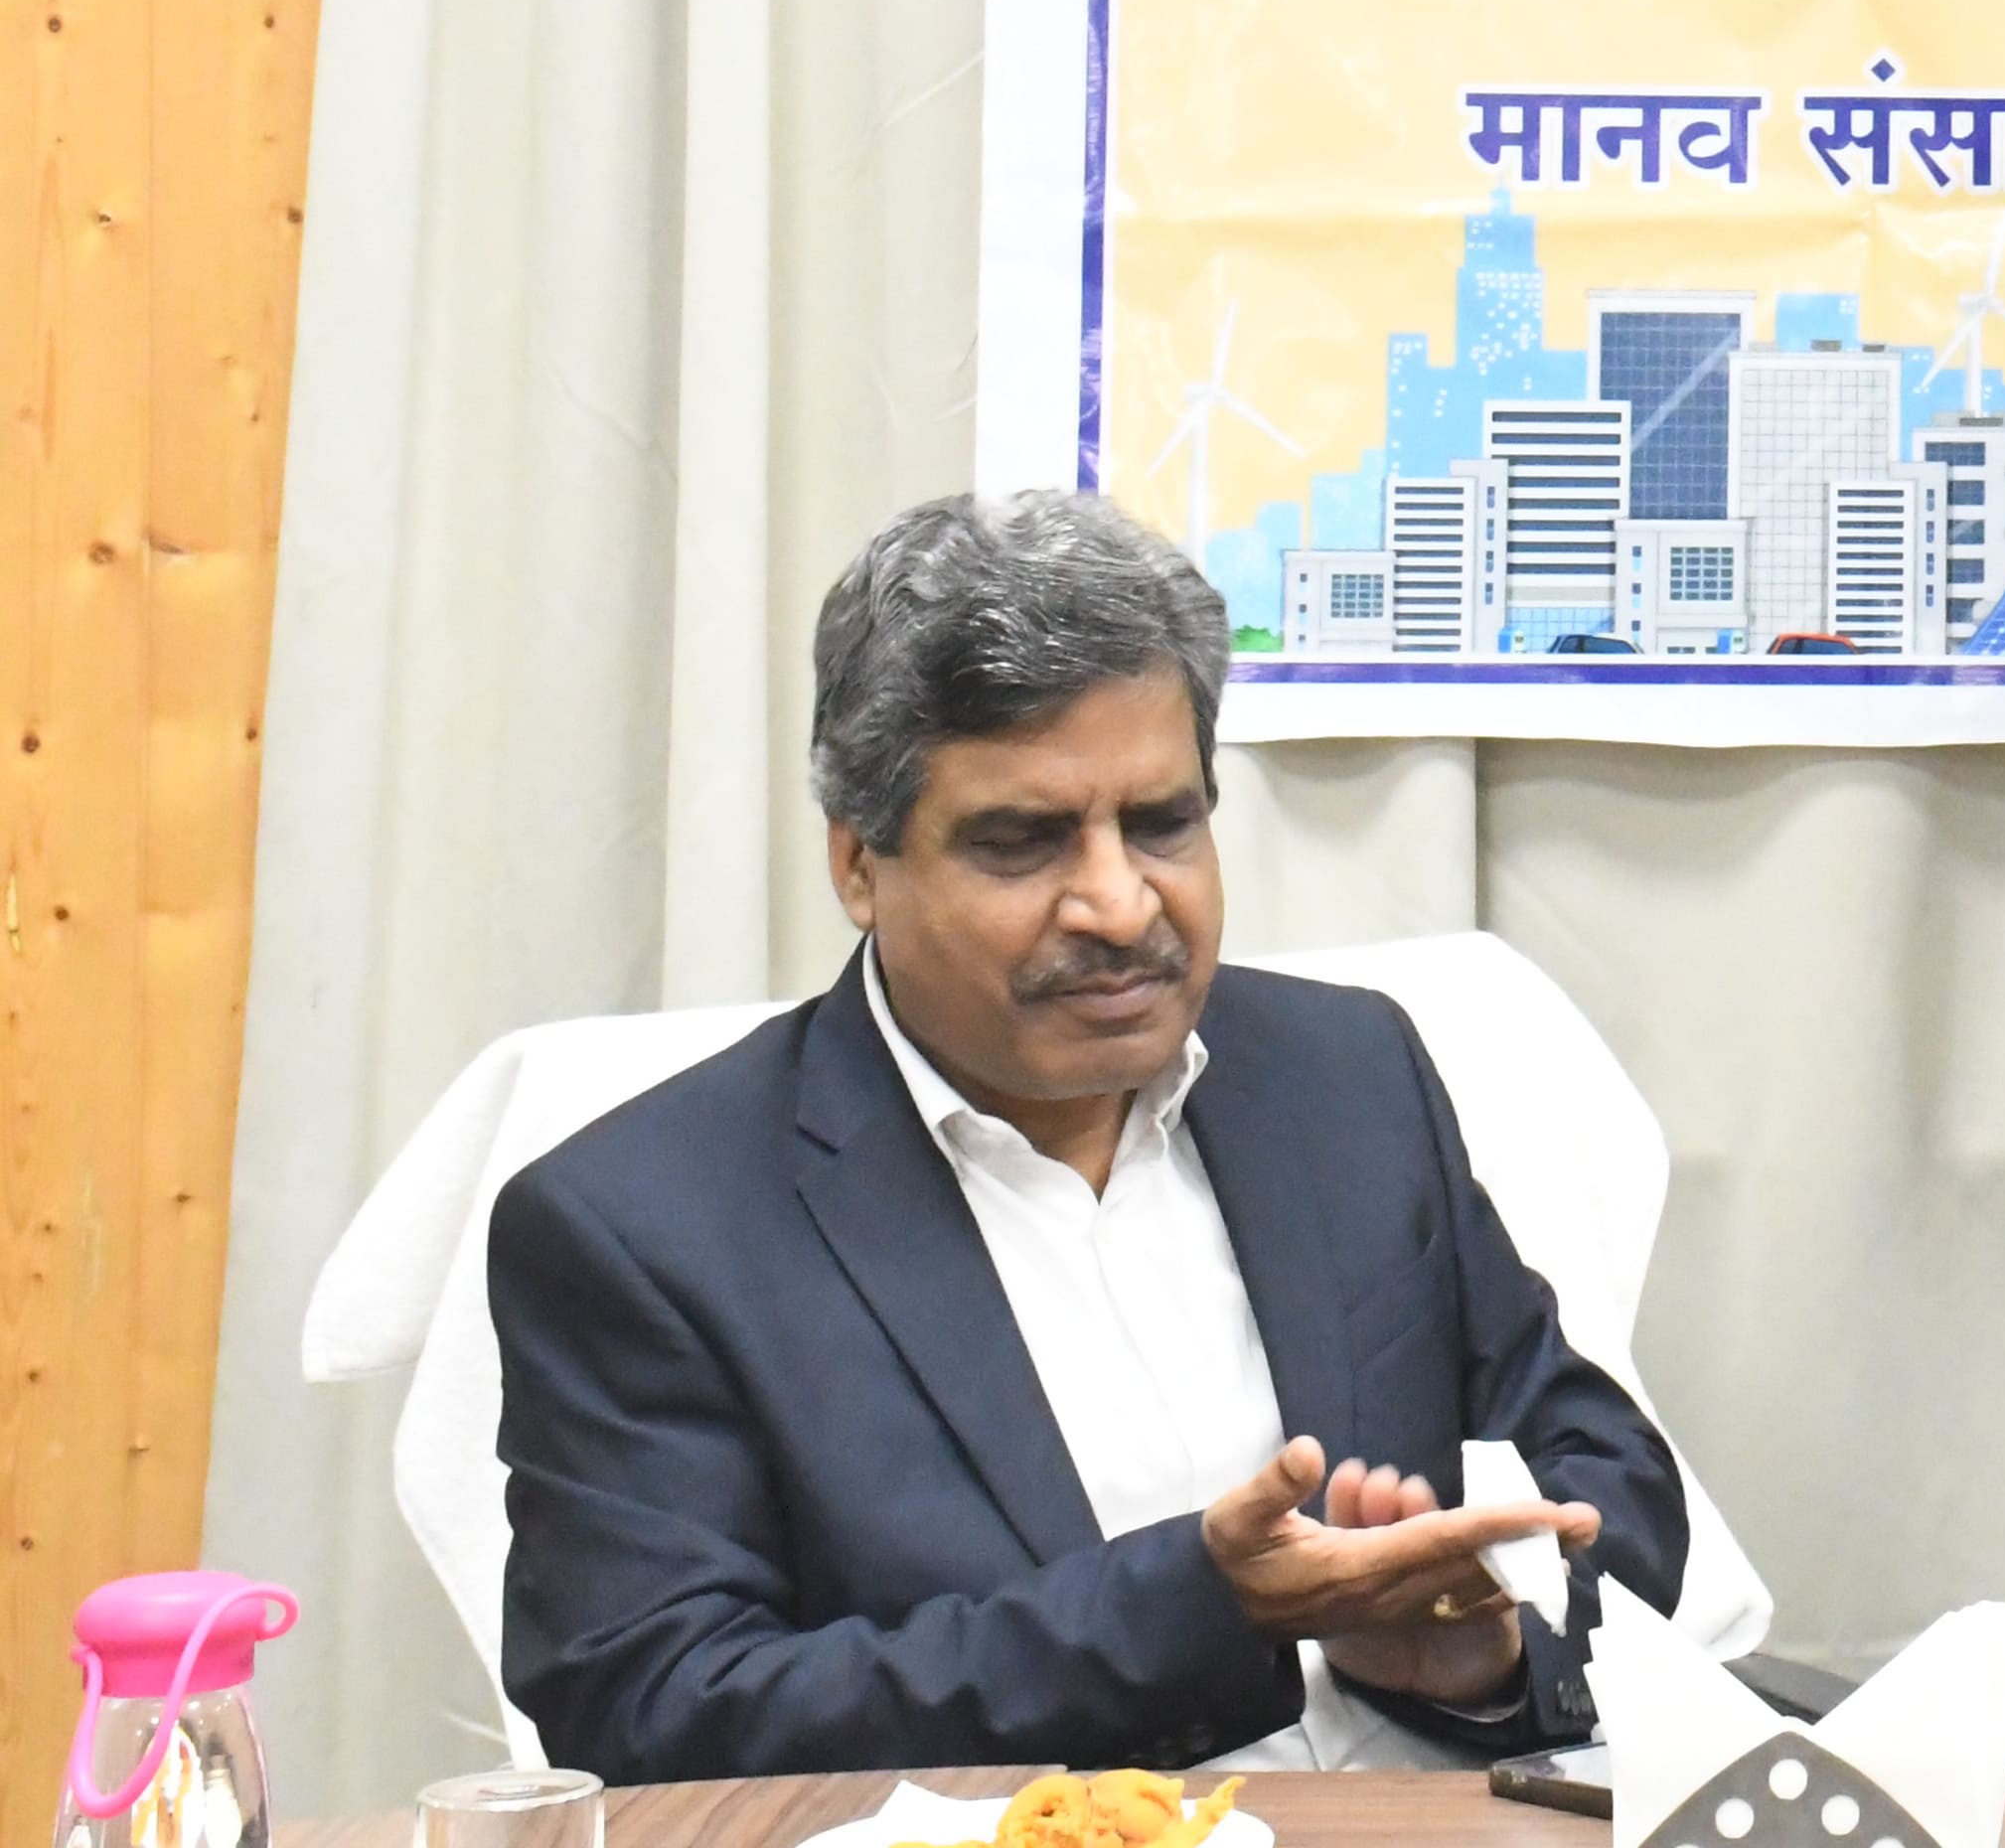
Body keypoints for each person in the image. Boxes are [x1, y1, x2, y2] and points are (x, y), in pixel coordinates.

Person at [492, 491, 1693, 1783]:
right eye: (1023, 844)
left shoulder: (1346, 1077)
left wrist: (1485, 1650)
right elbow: (658, 1709)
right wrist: (1195, 1611)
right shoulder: (643, 1224)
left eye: (1163, 824)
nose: (1120, 907)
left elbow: (1609, 1482)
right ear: (859, 866)